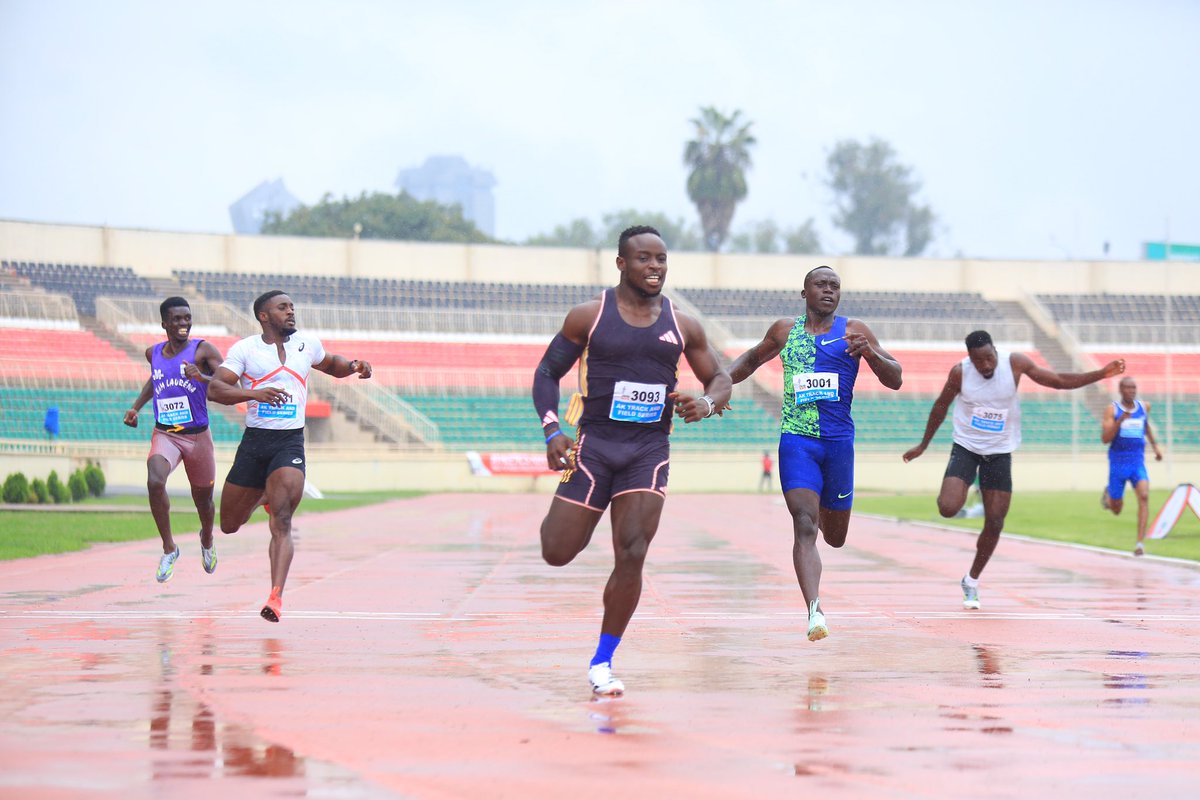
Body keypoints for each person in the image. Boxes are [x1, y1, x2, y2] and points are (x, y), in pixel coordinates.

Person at [532, 225, 732, 696]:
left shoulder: (684, 325)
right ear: (622, 263)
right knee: (556, 551)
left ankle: (603, 661)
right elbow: (546, 372)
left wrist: (705, 404)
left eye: (661, 259)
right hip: (594, 446)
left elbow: (719, 380)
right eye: (644, 258)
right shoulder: (589, 316)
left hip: (647, 452)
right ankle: (573, 532)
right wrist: (552, 428)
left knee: (633, 550)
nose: (655, 267)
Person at [728, 265, 903, 642]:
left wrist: (870, 354)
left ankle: (825, 509)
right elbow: (750, 359)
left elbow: (896, 377)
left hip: (838, 444)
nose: (828, 291)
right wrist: (718, 387)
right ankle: (814, 610)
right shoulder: (784, 331)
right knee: (805, 524)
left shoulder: (855, 331)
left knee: (835, 536)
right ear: (803, 293)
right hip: (797, 441)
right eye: (820, 285)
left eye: (835, 286)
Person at [902, 330, 1125, 608]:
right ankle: (968, 484)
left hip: (999, 452)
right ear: (969, 359)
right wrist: (923, 445)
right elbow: (941, 406)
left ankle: (971, 581)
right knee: (947, 507)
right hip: (967, 448)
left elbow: (1057, 381)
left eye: (988, 358)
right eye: (977, 360)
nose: (985, 366)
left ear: (995, 350)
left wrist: (1101, 374)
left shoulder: (1015, 363)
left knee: (995, 522)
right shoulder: (961, 372)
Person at [202, 290, 372, 622]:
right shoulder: (245, 350)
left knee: (282, 521)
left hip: (290, 443)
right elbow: (215, 389)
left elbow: (331, 364)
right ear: (264, 316)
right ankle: (264, 491)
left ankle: (275, 597)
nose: (291, 312)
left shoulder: (305, 344)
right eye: (283, 308)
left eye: (292, 307)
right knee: (229, 525)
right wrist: (253, 392)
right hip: (254, 444)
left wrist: (354, 366)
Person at [124, 297, 224, 582]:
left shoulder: (202, 350)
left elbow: (229, 381)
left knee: (202, 500)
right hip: (166, 432)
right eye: (177, 319)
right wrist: (136, 407)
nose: (184, 324)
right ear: (164, 324)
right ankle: (169, 548)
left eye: (187, 318)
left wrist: (201, 376)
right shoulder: (152, 353)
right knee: (155, 480)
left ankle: (206, 538)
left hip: (197, 436)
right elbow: (154, 381)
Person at [1101, 376, 1163, 556]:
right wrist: (1120, 421)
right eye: (1127, 388)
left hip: (1137, 462)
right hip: (1118, 464)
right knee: (1117, 509)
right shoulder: (1112, 410)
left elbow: (1146, 427)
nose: (1131, 391)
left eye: (1133, 388)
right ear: (1120, 390)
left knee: (1144, 496)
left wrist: (1155, 447)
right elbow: (1105, 439)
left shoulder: (1144, 407)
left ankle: (1140, 544)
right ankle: (1109, 499)